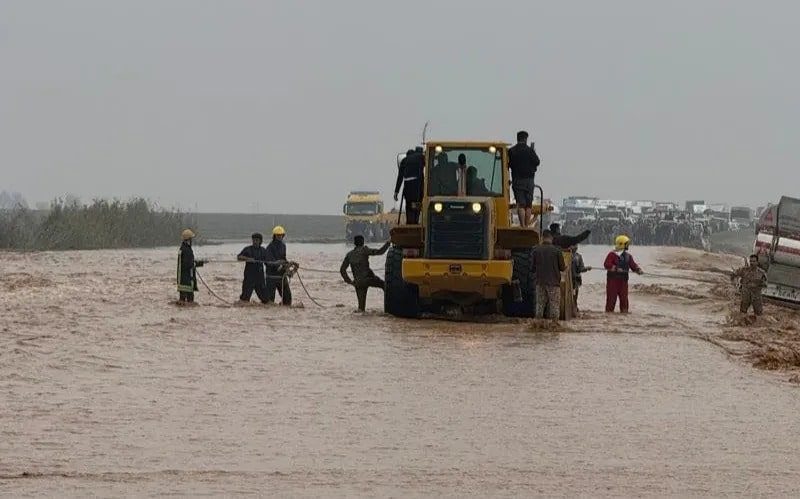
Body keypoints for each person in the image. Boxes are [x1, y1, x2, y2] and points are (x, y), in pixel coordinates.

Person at [340, 236, 391, 312]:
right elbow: (380, 252)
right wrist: (388, 242)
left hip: (358, 283)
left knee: (361, 309)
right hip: (368, 279)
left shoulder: (349, 254)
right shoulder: (364, 250)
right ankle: (389, 308)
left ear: (354, 243)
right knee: (385, 286)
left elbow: (342, 270)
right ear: (363, 242)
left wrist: (350, 281)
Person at [508, 130, 540, 228]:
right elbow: (537, 162)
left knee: (521, 205)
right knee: (528, 205)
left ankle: (522, 225)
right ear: (526, 139)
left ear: (517, 139)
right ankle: (526, 225)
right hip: (529, 181)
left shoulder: (512, 151)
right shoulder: (530, 150)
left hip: (517, 180)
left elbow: (508, 164)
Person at [604, 235, 643, 313]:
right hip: (613, 282)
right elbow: (606, 264)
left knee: (624, 301)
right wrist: (615, 268)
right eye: (626, 244)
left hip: (623, 282)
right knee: (611, 302)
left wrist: (638, 269)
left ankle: (624, 318)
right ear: (622, 244)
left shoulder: (628, 256)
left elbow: (633, 265)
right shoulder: (612, 254)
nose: (628, 245)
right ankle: (608, 319)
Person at [532, 230, 566, 320]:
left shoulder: (536, 250)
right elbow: (562, 268)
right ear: (551, 238)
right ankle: (554, 328)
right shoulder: (557, 251)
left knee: (539, 306)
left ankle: (537, 327)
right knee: (554, 306)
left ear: (542, 237)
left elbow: (532, 268)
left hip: (540, 283)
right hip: (553, 283)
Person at [237, 232, 270, 303]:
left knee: (265, 300)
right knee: (244, 299)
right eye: (254, 240)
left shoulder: (263, 250)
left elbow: (268, 262)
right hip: (249, 278)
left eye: (257, 240)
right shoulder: (247, 249)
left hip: (260, 278)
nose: (255, 242)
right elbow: (239, 257)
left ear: (260, 241)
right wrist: (247, 259)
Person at [394, 148, 424, 224]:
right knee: (417, 206)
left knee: (409, 206)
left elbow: (400, 177)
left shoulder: (404, 160)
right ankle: (416, 221)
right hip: (418, 188)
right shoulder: (421, 157)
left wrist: (396, 192)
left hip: (408, 189)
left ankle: (410, 222)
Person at [265, 225, 292, 306]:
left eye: (281, 235)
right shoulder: (269, 247)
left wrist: (288, 265)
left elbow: (283, 258)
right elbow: (268, 261)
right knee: (270, 301)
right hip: (271, 277)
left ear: (283, 235)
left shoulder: (283, 246)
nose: (279, 237)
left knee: (287, 299)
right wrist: (278, 265)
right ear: (274, 236)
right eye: (278, 235)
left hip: (282, 277)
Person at [177, 229, 205, 303]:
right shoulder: (187, 250)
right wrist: (198, 263)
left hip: (182, 281)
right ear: (189, 239)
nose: (192, 240)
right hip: (187, 281)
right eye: (191, 239)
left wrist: (197, 263)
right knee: (190, 302)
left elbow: (187, 262)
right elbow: (188, 264)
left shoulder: (182, 248)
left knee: (182, 302)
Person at [570, 245, 592, 312]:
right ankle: (574, 307)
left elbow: (581, 269)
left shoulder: (578, 256)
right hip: (574, 279)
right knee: (574, 295)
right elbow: (581, 269)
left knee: (574, 295)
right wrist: (587, 268)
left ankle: (574, 307)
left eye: (575, 245)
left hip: (575, 279)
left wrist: (586, 268)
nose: (575, 247)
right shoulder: (577, 256)